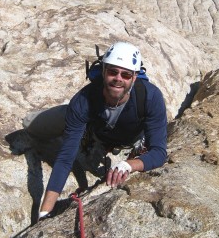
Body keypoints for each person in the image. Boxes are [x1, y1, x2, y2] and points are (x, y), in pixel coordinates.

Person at [23, 41, 167, 220]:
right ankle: (73, 126)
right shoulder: (84, 99)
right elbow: (65, 158)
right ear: (104, 71)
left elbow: (159, 152)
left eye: (126, 74)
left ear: (135, 78)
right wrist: (45, 212)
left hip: (129, 138)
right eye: (113, 71)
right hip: (93, 130)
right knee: (30, 124)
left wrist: (128, 165)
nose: (118, 78)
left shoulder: (150, 98)